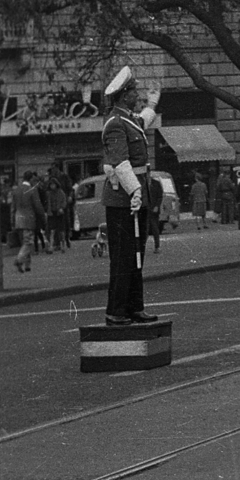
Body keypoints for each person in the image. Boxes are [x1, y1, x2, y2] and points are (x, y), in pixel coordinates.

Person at [101, 66, 157, 325]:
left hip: (136, 197)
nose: (138, 94)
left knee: (137, 254)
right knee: (124, 256)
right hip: (123, 199)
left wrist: (154, 104)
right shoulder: (115, 124)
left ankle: (135, 306)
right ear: (124, 96)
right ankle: (116, 310)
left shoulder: (129, 120)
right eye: (134, 90)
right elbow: (120, 162)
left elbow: (144, 120)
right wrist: (134, 189)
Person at [10, 171, 46, 273]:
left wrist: (12, 221)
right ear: (30, 179)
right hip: (28, 219)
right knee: (28, 242)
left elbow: (12, 208)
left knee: (24, 242)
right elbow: (38, 206)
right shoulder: (32, 190)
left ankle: (27, 265)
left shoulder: (16, 190)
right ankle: (19, 259)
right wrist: (43, 216)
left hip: (18, 219)